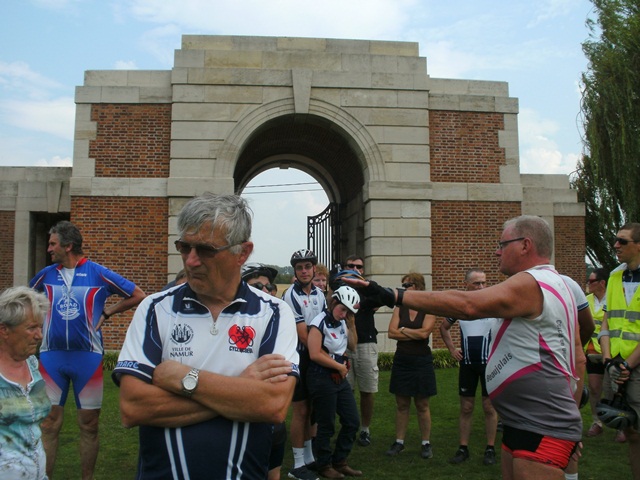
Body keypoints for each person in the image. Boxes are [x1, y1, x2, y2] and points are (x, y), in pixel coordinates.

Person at [345, 215, 583, 480]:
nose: (497, 251)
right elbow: (578, 358)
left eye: (502, 244)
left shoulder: (532, 282)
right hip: (526, 420)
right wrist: (572, 421)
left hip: (541, 422)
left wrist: (393, 295)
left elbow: (467, 305)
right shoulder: (560, 284)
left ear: (525, 245)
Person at [113, 193, 300, 479]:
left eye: (205, 250)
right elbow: (133, 407)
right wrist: (241, 391)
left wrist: (181, 378)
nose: (191, 260)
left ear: (243, 252)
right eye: (184, 247)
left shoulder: (274, 313)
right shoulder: (155, 308)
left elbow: (272, 405)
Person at [30, 220, 146, 480]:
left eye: (53, 243)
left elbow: (137, 294)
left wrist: (107, 312)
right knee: (48, 425)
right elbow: (25, 300)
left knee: (89, 426)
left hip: (88, 359)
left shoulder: (97, 272)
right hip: (51, 357)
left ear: (68, 246)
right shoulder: (46, 274)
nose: (49, 249)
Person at [440, 268, 498, 466]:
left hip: (489, 365)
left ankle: (490, 448)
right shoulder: (460, 308)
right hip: (467, 365)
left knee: (489, 407)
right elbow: (444, 327)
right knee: (466, 407)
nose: (481, 286)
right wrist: (451, 349)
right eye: (476, 283)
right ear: (467, 284)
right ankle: (463, 448)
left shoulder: (493, 305)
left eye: (483, 283)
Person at [307, 286, 362, 478]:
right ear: (333, 303)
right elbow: (314, 353)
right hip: (321, 376)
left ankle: (340, 460)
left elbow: (353, 346)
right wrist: (338, 366)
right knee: (326, 424)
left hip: (339, 377)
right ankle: (324, 465)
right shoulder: (319, 322)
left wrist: (352, 325)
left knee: (352, 421)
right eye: (342, 309)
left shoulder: (343, 322)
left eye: (348, 311)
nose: (344, 314)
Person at [599, 222, 640, 479]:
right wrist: (608, 361)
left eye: (622, 241)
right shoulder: (615, 276)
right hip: (615, 365)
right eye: (615, 240)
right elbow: (606, 323)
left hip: (633, 367)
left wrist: (628, 365)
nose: (616, 245)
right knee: (632, 433)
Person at [283, 249, 327, 480]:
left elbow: (326, 325)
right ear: (295, 271)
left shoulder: (320, 294)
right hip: (300, 357)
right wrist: (323, 347)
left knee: (312, 410)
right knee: (300, 411)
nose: (304, 271)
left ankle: (309, 459)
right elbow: (302, 335)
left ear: (313, 269)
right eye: (299, 268)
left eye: (307, 267)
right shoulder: (291, 295)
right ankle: (297, 465)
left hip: (316, 355)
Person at [242, 262, 288, 480]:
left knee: (272, 472)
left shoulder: (279, 321)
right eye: (256, 286)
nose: (265, 292)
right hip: (239, 420)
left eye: (268, 287)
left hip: (271, 418)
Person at [0, 286, 51, 480]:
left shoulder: (31, 364)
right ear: (4, 330)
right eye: (31, 328)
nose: (39, 335)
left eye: (40, 327)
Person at [385, 272, 437, 460]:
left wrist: (403, 330)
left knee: (422, 404)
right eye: (403, 286)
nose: (404, 289)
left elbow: (425, 335)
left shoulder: (429, 307)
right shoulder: (400, 307)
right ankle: (399, 442)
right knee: (402, 403)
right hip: (403, 360)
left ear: (418, 287)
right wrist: (412, 332)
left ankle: (426, 443)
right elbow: (391, 333)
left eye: (408, 285)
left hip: (421, 360)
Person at [585, 267, 626, 442]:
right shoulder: (585, 300)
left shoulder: (614, 298)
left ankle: (620, 425)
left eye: (591, 281)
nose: (588, 284)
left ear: (602, 283)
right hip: (593, 352)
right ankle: (597, 422)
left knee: (615, 391)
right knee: (595, 389)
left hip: (611, 352)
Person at [343, 255, 379, 447]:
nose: (355, 269)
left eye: (359, 267)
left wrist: (363, 283)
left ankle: (365, 429)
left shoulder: (368, 288)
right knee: (345, 390)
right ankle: (347, 426)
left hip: (366, 342)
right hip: (344, 345)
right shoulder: (340, 288)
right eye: (351, 266)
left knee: (367, 389)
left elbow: (380, 300)